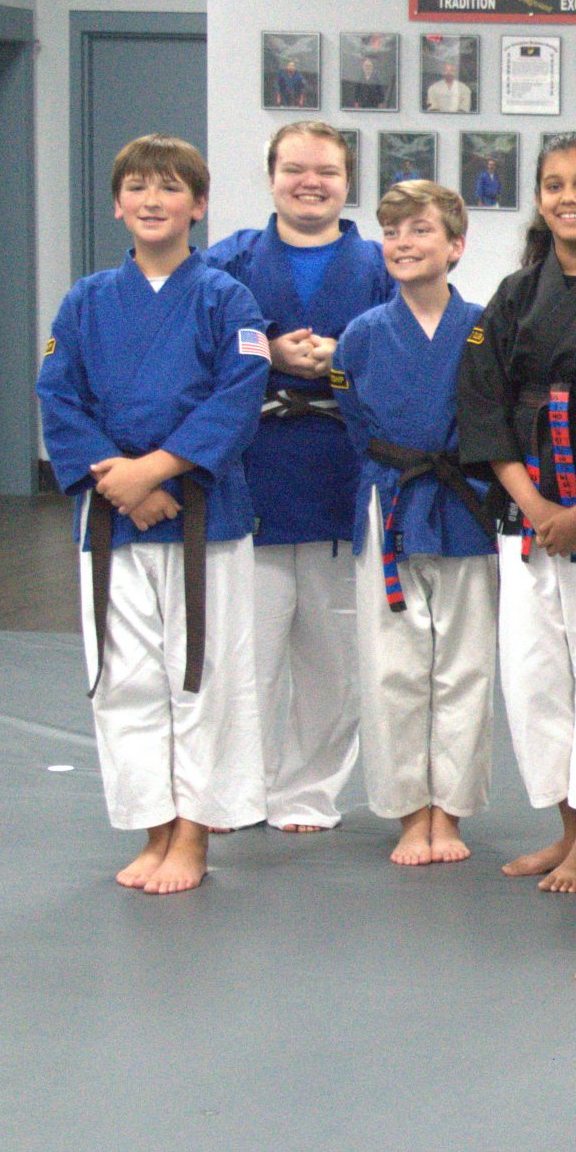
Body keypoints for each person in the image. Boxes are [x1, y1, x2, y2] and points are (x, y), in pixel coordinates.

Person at [36, 135, 267, 895]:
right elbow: (58, 395)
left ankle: (195, 833)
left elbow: (240, 392)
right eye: (137, 187)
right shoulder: (86, 299)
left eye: (170, 188)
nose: (152, 200)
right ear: (117, 204)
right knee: (125, 677)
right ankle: (153, 828)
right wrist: (121, 482)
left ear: (198, 206)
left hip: (202, 511)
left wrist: (157, 470)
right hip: (113, 521)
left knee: (201, 671)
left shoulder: (227, 297)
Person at [455, 132, 576, 895]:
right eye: (556, 184)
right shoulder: (514, 294)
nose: (570, 197)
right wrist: (533, 505)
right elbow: (482, 400)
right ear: (539, 197)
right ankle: (566, 829)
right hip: (526, 514)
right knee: (533, 682)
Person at [203, 123, 392, 836]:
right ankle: (235, 788)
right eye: (294, 169)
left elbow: (413, 348)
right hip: (252, 475)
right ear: (271, 175)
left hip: (342, 477)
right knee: (242, 653)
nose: (310, 182)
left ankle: (307, 791)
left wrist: (346, 352)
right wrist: (267, 348)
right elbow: (200, 347)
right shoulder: (229, 263)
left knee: (332, 656)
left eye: (327, 171)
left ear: (349, 182)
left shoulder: (379, 264)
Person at [332, 179, 496, 869]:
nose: (403, 242)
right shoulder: (363, 335)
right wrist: (388, 474)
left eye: (420, 230)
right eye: (393, 231)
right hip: (392, 498)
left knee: (465, 664)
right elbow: (354, 424)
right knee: (393, 664)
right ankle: (408, 811)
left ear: (455, 246)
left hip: (465, 500)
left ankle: (448, 809)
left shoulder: (485, 326)